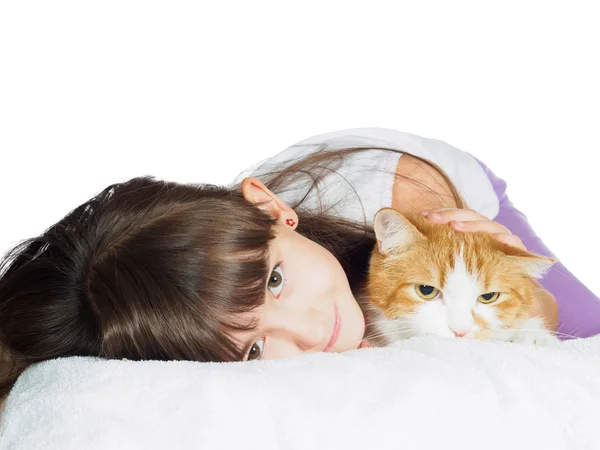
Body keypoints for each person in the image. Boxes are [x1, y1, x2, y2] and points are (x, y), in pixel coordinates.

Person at [0, 127, 598, 400]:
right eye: (255, 349)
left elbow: (558, 329)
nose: (314, 333)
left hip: (401, 187)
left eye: (276, 280)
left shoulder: (409, 207)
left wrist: (522, 293)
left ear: (271, 209)